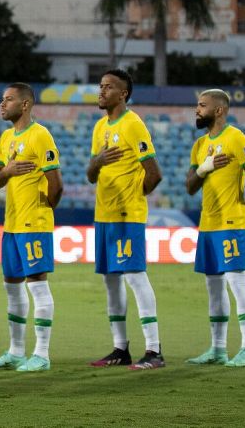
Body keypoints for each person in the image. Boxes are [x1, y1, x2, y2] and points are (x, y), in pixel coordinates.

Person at [86, 69, 165, 370]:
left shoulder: (133, 125)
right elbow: (91, 175)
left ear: (123, 94)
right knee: (111, 281)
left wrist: (133, 197)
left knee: (135, 276)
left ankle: (154, 350)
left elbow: (154, 173)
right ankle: (121, 348)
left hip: (126, 215)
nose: (102, 91)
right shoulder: (99, 128)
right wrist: (97, 161)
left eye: (109, 87)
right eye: (101, 86)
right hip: (103, 214)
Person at [0, 83, 62, 372]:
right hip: (12, 223)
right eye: (2, 100)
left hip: (33, 224)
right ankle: (16, 352)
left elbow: (56, 184)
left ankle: (41, 354)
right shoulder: (5, 138)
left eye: (9, 100)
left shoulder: (40, 136)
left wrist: (42, 214)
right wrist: (8, 171)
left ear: (25, 104)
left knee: (37, 287)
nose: (3, 105)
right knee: (12, 287)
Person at [184, 88, 245, 368]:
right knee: (214, 287)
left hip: (231, 223)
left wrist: (244, 207)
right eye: (197, 105)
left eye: (202, 105)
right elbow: (190, 186)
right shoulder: (199, 145)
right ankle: (217, 349)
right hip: (208, 224)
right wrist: (203, 169)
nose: (197, 110)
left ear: (218, 110)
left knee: (237, 282)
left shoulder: (235, 137)